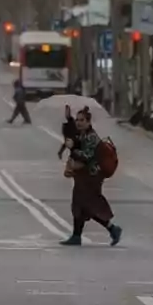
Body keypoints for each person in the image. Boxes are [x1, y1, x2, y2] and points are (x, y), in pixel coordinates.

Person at [60, 105, 123, 246]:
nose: (78, 122)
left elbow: (87, 157)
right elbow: (73, 135)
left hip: (92, 177)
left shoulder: (91, 137)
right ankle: (78, 236)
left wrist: (73, 149)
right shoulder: (82, 134)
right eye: (77, 120)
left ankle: (112, 229)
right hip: (83, 176)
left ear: (88, 122)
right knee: (81, 206)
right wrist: (69, 119)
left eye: (81, 120)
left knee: (87, 206)